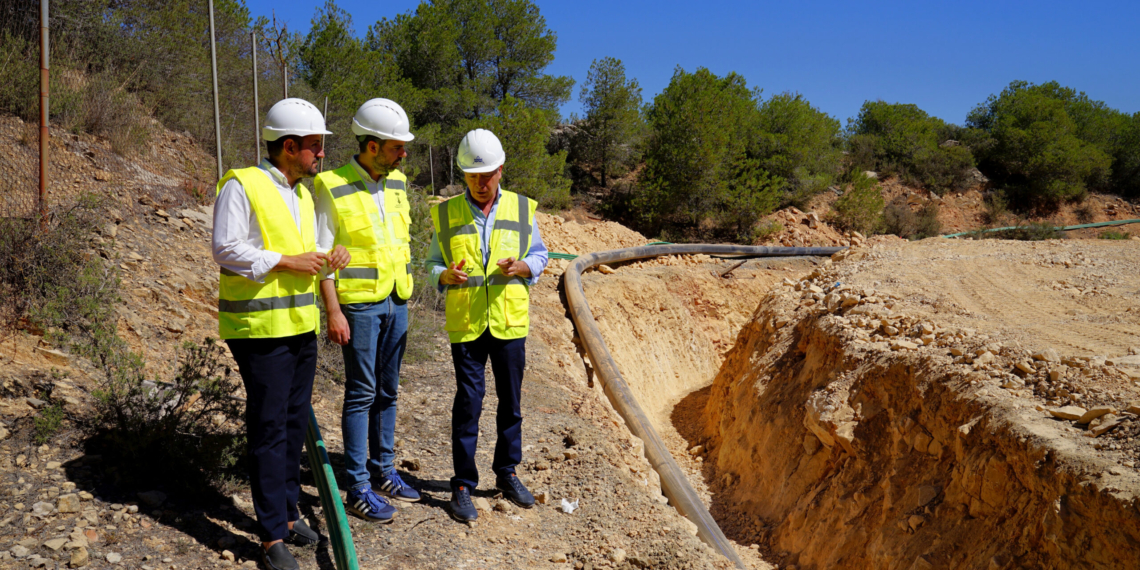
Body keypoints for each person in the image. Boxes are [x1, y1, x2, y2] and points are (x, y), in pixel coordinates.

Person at [212, 98, 349, 570]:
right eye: (315, 146)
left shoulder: (304, 195)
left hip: (297, 326)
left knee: (293, 423)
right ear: (289, 147)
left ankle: (288, 515)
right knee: (269, 428)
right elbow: (226, 249)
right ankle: (271, 537)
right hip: (257, 329)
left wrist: (329, 258)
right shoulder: (241, 184)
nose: (321, 155)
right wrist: (287, 261)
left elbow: (308, 253)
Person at [427, 128, 549, 523]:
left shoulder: (520, 208)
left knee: (510, 404)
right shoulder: (445, 213)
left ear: (501, 169)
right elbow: (429, 264)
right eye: (472, 175)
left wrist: (524, 267)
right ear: (463, 174)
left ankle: (506, 473)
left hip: (509, 323)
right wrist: (442, 275)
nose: (481, 183)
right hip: (466, 324)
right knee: (468, 404)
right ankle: (462, 483)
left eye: (488, 174)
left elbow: (541, 256)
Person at [313, 99, 420, 523]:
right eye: (396, 146)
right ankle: (357, 485)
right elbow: (322, 256)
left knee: (389, 391)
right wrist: (333, 311)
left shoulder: (397, 183)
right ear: (372, 146)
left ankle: (385, 472)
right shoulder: (332, 185)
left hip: (397, 300)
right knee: (362, 393)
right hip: (358, 306)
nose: (403, 154)